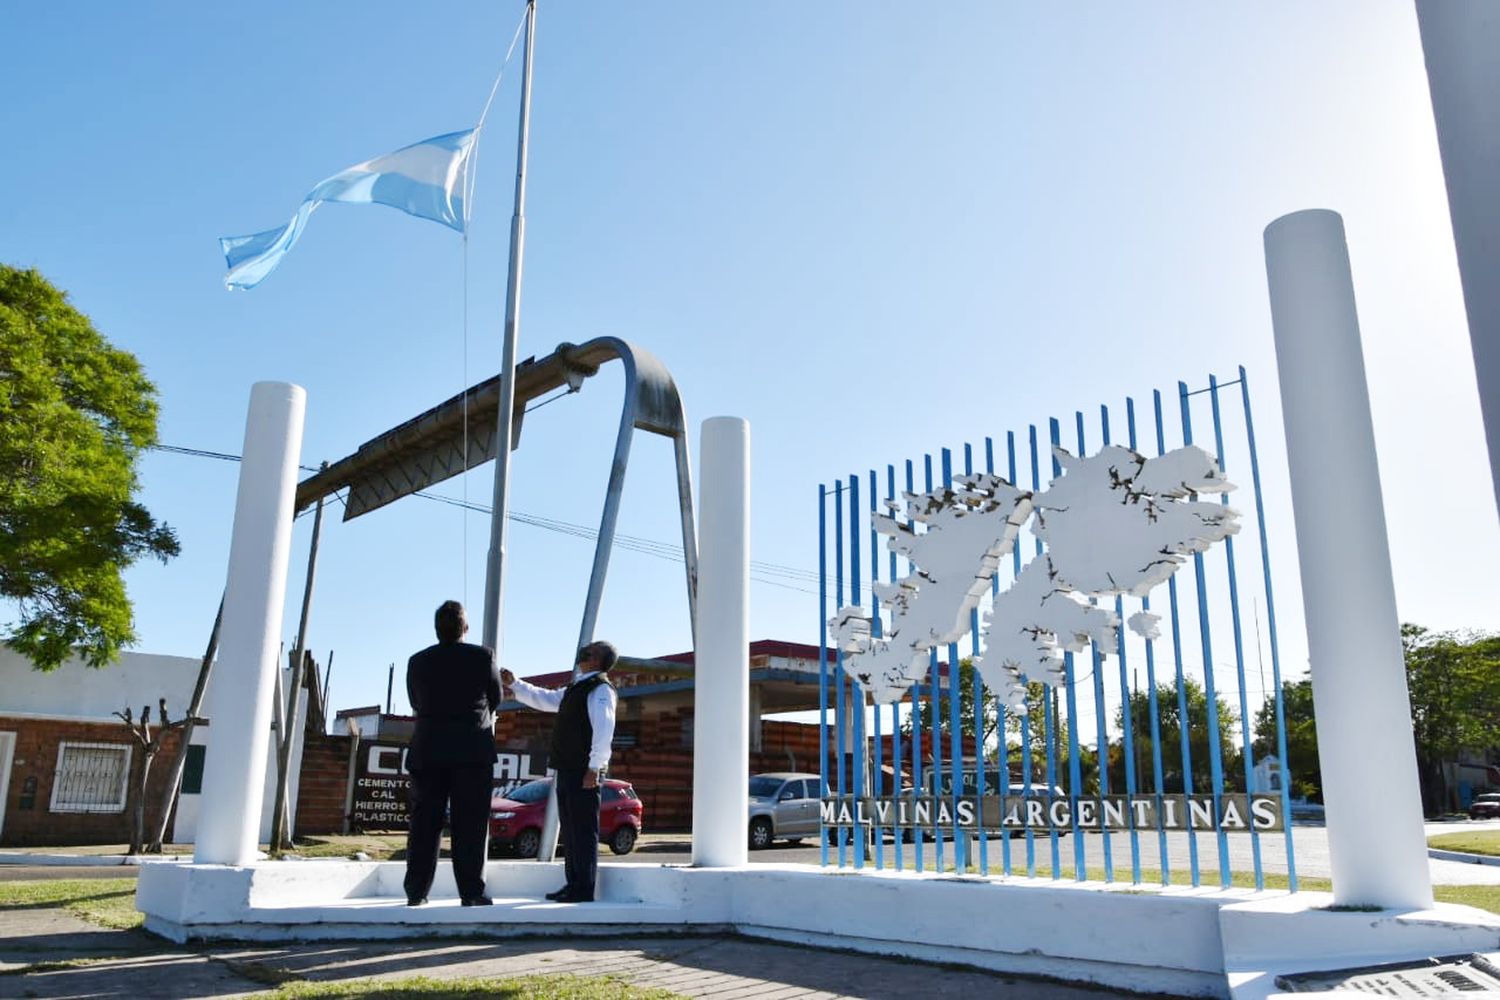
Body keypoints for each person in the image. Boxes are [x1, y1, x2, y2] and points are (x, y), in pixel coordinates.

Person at [501, 640, 618, 903]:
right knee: (571, 830)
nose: (583, 652)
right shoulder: (577, 687)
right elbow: (545, 699)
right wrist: (515, 683)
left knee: (584, 831)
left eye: (590, 651)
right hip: (567, 769)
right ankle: (573, 884)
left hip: (583, 772)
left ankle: (583, 889)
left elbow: (603, 730)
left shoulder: (600, 689)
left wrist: (594, 768)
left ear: (598, 660)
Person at [403, 600, 502, 907]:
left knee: (424, 824)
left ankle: (416, 892)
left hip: (428, 750)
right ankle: (471, 892)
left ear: (436, 629)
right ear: (465, 628)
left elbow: (415, 702)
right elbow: (495, 697)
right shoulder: (482, 656)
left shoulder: (417, 661)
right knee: (470, 825)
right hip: (472, 751)